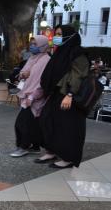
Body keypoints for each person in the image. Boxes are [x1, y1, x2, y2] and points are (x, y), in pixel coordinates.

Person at [37, 25, 90, 168]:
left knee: (68, 127)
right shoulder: (60, 52)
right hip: (56, 94)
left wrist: (70, 94)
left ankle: (68, 158)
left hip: (69, 95)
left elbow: (78, 74)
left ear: (70, 36)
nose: (56, 37)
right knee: (48, 121)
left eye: (60, 34)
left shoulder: (77, 53)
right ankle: (51, 151)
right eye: (56, 34)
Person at [10, 35, 51, 157]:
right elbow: (23, 71)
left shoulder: (46, 60)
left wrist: (32, 97)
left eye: (35, 44)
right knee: (33, 124)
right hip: (27, 94)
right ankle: (36, 146)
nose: (32, 46)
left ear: (43, 46)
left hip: (35, 97)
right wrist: (23, 75)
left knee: (22, 123)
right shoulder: (33, 57)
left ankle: (23, 147)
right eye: (31, 44)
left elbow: (42, 82)